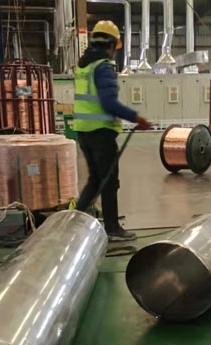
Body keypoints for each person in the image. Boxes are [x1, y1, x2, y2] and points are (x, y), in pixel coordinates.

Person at [73, 20, 152, 242]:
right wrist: (136, 118)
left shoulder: (83, 66)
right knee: (109, 182)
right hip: (101, 134)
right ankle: (112, 229)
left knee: (95, 181)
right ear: (110, 45)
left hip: (83, 132)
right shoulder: (103, 67)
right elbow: (109, 103)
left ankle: (73, 224)